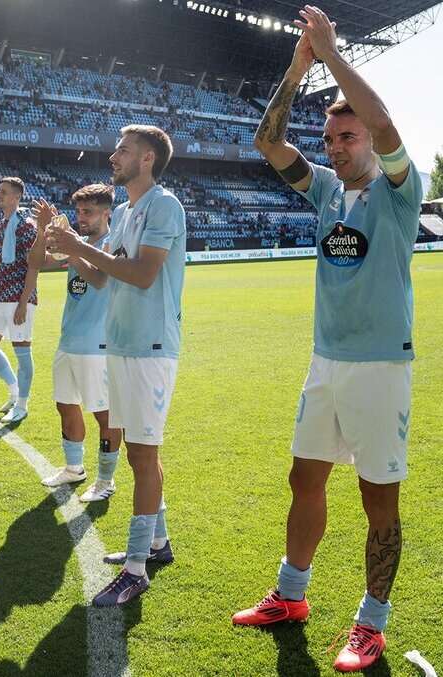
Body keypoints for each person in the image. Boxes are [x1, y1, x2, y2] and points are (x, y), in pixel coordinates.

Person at [231, 10, 422, 671]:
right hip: (325, 361)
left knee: (378, 499)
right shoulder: (325, 196)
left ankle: (372, 623)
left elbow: (391, 124)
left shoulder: (400, 192)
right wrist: (297, 69)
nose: (335, 146)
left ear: (369, 139)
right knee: (303, 476)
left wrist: (335, 58)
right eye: (330, 136)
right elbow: (267, 142)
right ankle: (291, 595)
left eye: (346, 135)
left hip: (378, 367)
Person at [47, 125, 185, 606]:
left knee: (143, 456)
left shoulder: (164, 205)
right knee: (139, 454)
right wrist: (72, 250)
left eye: (123, 150)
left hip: (149, 346)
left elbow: (145, 275)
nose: (114, 155)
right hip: (121, 345)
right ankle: (158, 544)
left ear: (147, 159)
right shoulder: (125, 211)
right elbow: (103, 279)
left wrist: (80, 245)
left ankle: (135, 567)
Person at [29, 185, 122, 502]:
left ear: (107, 212)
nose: (81, 218)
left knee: (104, 414)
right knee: (65, 405)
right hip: (68, 339)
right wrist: (45, 231)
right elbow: (36, 263)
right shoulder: (77, 241)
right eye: (79, 211)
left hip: (98, 344)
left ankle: (106, 479)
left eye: (89, 212)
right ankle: (73, 468)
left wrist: (72, 249)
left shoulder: (113, 243)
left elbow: (99, 279)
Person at [0, 177, 39, 423]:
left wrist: (24, 302)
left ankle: (23, 405)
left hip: (18, 298)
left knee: (22, 351)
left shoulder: (26, 226)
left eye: (5, 192)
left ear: (17, 197)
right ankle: (14, 390)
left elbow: (34, 266)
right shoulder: (1, 225)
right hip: (0, 296)